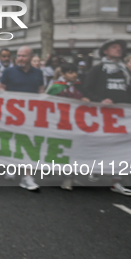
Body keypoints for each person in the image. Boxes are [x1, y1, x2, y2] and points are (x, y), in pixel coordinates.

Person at [84, 39, 131, 196]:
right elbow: (86, 89)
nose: (118, 49)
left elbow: (127, 92)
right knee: (101, 144)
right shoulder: (98, 69)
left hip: (120, 116)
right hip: (101, 116)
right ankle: (96, 168)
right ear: (105, 51)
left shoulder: (124, 71)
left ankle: (116, 181)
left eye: (120, 47)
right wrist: (100, 101)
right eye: (114, 47)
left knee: (119, 147)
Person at [0, 46, 44, 191]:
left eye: (24, 56)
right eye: (18, 55)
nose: (20, 58)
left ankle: (27, 176)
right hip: (12, 115)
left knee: (29, 144)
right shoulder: (8, 72)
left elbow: (41, 92)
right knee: (11, 141)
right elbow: (1, 89)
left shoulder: (38, 73)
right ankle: (10, 165)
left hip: (31, 115)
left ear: (31, 57)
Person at [46, 63, 89, 191]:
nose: (74, 75)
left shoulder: (80, 86)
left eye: (75, 72)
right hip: (61, 122)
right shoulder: (56, 87)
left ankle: (69, 176)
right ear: (63, 74)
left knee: (74, 149)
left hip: (75, 122)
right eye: (70, 72)